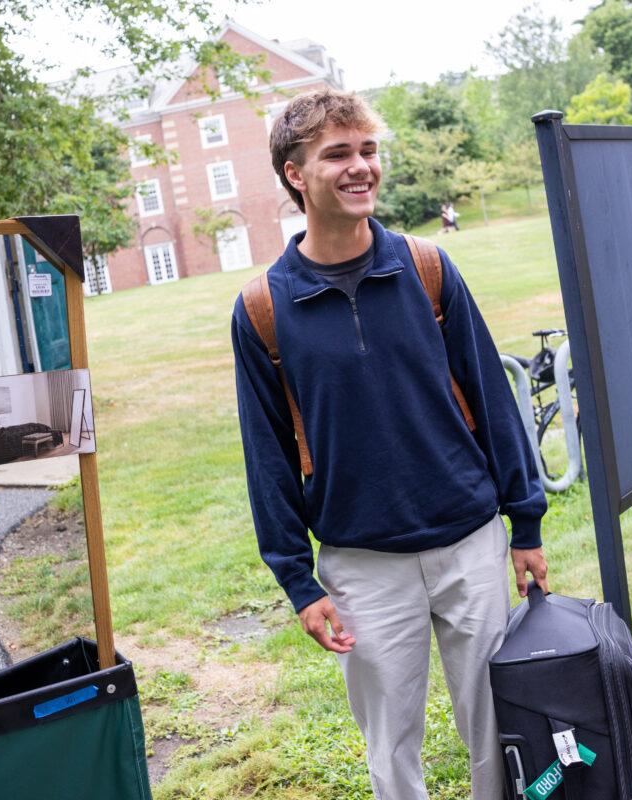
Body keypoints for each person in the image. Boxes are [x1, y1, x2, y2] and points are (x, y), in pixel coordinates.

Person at [231, 88, 549, 800]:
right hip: (362, 566)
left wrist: (524, 523)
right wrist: (298, 581)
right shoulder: (262, 308)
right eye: (337, 154)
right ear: (295, 174)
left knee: (497, 730)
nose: (360, 167)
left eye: (368, 150)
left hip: (469, 543)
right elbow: (267, 456)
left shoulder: (426, 268)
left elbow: (493, 401)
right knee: (391, 747)